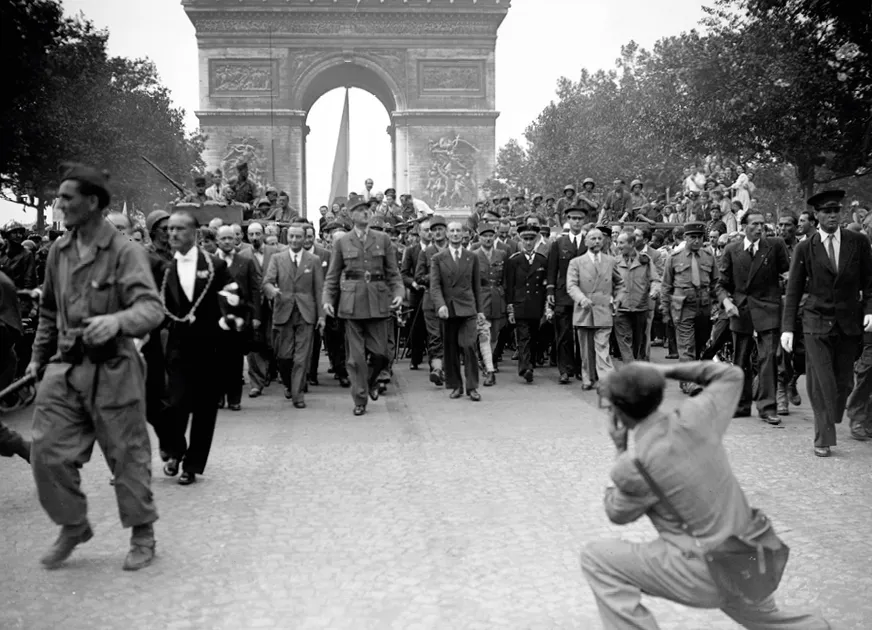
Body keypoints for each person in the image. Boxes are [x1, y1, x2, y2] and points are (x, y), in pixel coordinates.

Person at [582, 360, 830, 629]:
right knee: (767, 619)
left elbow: (616, 513)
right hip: (752, 553)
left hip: (705, 571)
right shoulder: (697, 416)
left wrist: (619, 450)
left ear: (619, 414)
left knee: (597, 557)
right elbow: (731, 373)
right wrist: (662, 370)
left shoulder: (635, 464)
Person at [27, 163, 163, 571]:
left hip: (115, 371)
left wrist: (118, 321)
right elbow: (49, 311)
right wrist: (37, 357)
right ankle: (73, 524)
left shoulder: (126, 252)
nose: (60, 204)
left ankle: (143, 533)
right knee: (46, 453)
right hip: (65, 369)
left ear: (92, 202)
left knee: (127, 457)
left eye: (68, 198)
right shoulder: (58, 251)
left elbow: (152, 309)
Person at [782, 190, 872, 457]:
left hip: (848, 322)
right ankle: (823, 438)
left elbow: (869, 283)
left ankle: (832, 415)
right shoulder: (804, 247)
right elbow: (794, 289)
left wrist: (869, 310)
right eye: (827, 211)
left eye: (836, 211)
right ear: (816, 216)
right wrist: (788, 328)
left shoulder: (858, 242)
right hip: (815, 321)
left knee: (843, 383)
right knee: (823, 382)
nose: (832, 216)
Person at [160, 210, 234, 485]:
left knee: (204, 410)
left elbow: (232, 297)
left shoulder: (215, 266)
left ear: (194, 234)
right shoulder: (166, 269)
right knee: (175, 404)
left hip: (210, 348)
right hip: (178, 349)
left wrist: (230, 320)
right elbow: (159, 307)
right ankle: (175, 451)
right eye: (170, 229)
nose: (173, 234)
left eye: (179, 229)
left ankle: (192, 465)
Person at [322, 202, 404, 416]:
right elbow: (332, 275)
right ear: (351, 215)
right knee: (356, 358)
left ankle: (371, 381)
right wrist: (328, 300)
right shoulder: (342, 242)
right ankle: (360, 398)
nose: (365, 213)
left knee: (381, 354)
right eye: (360, 210)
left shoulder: (383, 239)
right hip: (352, 303)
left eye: (368, 210)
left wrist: (398, 294)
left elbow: (393, 272)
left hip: (378, 301)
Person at [718, 212, 790, 425]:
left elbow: (787, 273)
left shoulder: (774, 246)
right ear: (744, 227)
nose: (759, 229)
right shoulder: (732, 249)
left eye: (762, 225)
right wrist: (726, 302)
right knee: (741, 359)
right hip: (741, 310)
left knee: (768, 358)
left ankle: (767, 407)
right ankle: (741, 405)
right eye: (754, 225)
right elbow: (721, 283)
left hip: (768, 308)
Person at [263, 224, 325, 408]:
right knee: (284, 356)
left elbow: (319, 289)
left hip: (306, 313)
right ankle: (289, 385)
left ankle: (298, 395)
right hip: (283, 311)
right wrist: (272, 290)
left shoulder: (313, 260)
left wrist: (321, 317)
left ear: (305, 237)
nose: (295, 240)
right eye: (291, 237)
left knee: (301, 357)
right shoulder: (277, 258)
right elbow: (267, 281)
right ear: (286, 237)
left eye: (298, 237)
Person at [661, 222, 720, 394]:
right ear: (685, 238)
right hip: (683, 307)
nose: (696, 241)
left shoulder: (709, 257)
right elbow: (666, 286)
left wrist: (719, 303)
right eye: (692, 237)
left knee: (701, 342)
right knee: (687, 346)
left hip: (704, 307)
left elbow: (716, 282)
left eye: (699, 237)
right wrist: (665, 310)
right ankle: (689, 382)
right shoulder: (674, 258)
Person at [429, 221, 483, 401]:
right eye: (451, 231)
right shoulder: (438, 258)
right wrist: (440, 305)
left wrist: (480, 311)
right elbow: (435, 286)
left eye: (458, 231)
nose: (455, 234)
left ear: (464, 234)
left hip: (468, 308)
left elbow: (477, 286)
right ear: (446, 234)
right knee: (450, 349)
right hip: (448, 309)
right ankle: (455, 385)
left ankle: (472, 386)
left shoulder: (471, 257)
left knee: (469, 346)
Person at [567, 228, 625, 390]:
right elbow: (571, 285)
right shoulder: (576, 262)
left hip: (604, 310)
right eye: (593, 238)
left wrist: (618, 300)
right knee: (585, 350)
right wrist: (581, 299)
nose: (597, 241)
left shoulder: (610, 261)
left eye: (600, 238)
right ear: (586, 241)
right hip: (584, 310)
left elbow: (620, 283)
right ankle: (588, 378)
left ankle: (606, 380)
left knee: (602, 347)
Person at [214, 226, 261, 411]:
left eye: (230, 238)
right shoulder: (209, 261)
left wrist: (256, 316)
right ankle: (218, 397)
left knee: (234, 361)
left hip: (239, 319)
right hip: (215, 319)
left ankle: (234, 399)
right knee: (216, 360)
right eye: (223, 238)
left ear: (236, 240)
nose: (226, 241)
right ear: (217, 240)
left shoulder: (246, 262)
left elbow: (255, 289)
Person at [547, 206, 588, 383]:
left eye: (580, 219)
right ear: (568, 220)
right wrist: (550, 290)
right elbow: (552, 269)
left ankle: (580, 368)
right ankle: (565, 369)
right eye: (573, 218)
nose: (576, 222)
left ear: (584, 221)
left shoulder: (589, 242)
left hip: (584, 293)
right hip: (563, 293)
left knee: (582, 332)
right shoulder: (559, 243)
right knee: (563, 333)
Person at [504, 224, 548, 383]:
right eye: (525, 239)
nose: (528, 243)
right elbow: (509, 286)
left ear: (536, 240)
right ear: (520, 240)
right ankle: (525, 367)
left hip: (536, 305)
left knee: (534, 335)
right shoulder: (514, 261)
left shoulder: (542, 260)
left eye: (531, 239)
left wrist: (546, 306)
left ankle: (530, 363)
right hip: (520, 304)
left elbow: (545, 284)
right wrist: (510, 307)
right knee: (523, 337)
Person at [614, 230, 660, 363]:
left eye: (621, 243)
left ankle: (637, 367)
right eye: (617, 243)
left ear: (632, 243)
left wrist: (654, 291)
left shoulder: (645, 260)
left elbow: (655, 279)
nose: (618, 246)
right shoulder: (615, 262)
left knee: (638, 342)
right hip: (621, 309)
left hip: (640, 308)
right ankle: (630, 370)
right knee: (624, 340)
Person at [415, 214, 449, 387]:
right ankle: (436, 369)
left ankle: (447, 369)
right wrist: (436, 275)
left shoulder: (454, 249)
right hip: (430, 302)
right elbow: (419, 277)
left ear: (446, 231)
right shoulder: (425, 252)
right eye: (433, 230)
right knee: (435, 337)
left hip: (451, 301)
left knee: (448, 336)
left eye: (440, 229)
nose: (437, 232)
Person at [473, 221, 507, 385]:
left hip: (497, 298)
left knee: (495, 333)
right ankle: (489, 367)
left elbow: (506, 279)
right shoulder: (473, 254)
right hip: (481, 298)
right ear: (479, 238)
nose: (487, 239)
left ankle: (487, 360)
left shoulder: (502, 254)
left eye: (490, 236)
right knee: (484, 333)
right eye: (484, 236)